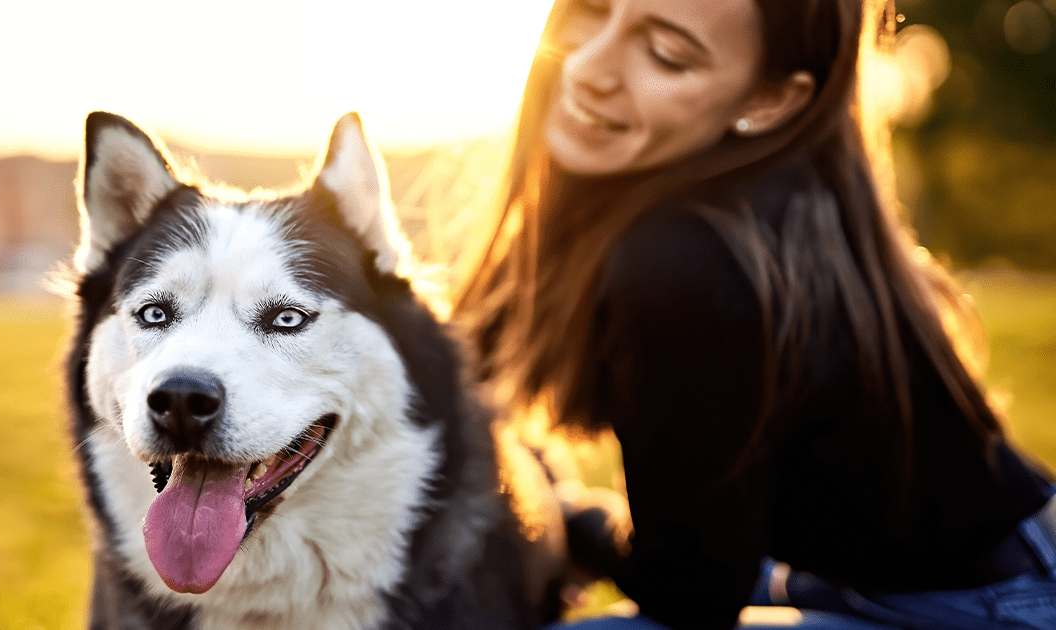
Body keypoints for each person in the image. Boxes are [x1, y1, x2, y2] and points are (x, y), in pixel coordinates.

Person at [451, 0, 1056, 628]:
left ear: (770, 101)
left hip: (987, 603)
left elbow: (692, 596)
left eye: (666, 53)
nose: (587, 67)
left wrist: (583, 523)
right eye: (592, 10)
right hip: (937, 568)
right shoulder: (747, 206)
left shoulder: (684, 255)